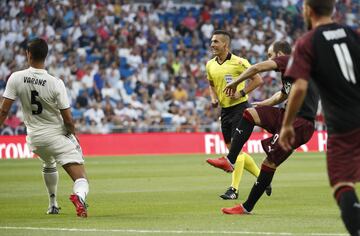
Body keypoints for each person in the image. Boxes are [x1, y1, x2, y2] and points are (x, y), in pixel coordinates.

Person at [207, 40, 319, 215]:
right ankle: (230, 160)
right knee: (250, 113)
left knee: (269, 163)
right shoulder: (293, 71)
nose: (268, 58)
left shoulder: (289, 59)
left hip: (300, 123)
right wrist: (264, 104)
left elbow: (256, 69)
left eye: (270, 55)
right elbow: (282, 94)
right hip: (287, 115)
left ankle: (246, 207)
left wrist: (235, 82)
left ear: (280, 54)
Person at [279, 0, 360, 234]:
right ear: (332, 9)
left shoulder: (307, 42)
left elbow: (300, 87)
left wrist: (286, 125)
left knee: (342, 184)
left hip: (344, 125)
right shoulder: (352, 33)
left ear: (307, 10)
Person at [0, 38, 89, 218]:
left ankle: (53, 204)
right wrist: (73, 135)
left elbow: (3, 111)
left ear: (28, 54)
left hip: (34, 139)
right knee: (81, 179)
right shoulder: (56, 83)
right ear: (46, 56)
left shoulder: (16, 78)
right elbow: (68, 119)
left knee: (48, 163)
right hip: (55, 136)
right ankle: (79, 197)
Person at [205, 30, 269, 200]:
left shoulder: (240, 63)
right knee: (234, 151)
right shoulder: (210, 64)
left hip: (240, 108)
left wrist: (241, 93)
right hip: (225, 111)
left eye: (216, 42)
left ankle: (233, 189)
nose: (212, 44)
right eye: (212, 41)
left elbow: (258, 80)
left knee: (235, 152)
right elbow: (211, 83)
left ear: (225, 44)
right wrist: (213, 98)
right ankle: (263, 179)